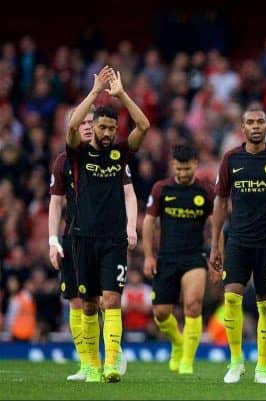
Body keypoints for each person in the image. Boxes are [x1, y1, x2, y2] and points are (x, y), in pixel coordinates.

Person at [66, 65, 150, 382]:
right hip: (83, 236)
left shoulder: (120, 154)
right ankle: (90, 365)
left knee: (112, 300)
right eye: (102, 128)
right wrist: (94, 93)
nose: (106, 133)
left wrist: (120, 95)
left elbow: (144, 124)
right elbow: (72, 126)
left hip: (113, 238)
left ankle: (111, 363)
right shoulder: (78, 154)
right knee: (88, 304)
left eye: (111, 129)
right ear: (95, 127)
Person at [208, 107, 266, 384]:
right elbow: (220, 203)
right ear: (242, 127)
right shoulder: (231, 159)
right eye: (250, 122)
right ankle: (236, 362)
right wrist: (215, 244)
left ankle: (262, 367)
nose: (256, 126)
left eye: (260, 122)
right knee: (231, 297)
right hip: (237, 239)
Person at [49, 105, 135, 381]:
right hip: (74, 236)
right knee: (79, 302)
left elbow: (129, 194)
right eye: (83, 122)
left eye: (91, 122)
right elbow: (55, 203)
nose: (87, 126)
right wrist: (52, 240)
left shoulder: (113, 158)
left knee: (106, 299)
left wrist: (130, 227)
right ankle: (87, 365)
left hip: (107, 234)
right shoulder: (65, 160)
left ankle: (110, 355)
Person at [142, 143, 215, 375]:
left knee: (193, 306)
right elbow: (149, 223)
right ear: (173, 165)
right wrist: (148, 256)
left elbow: (216, 225)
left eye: (187, 169)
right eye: (179, 169)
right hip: (166, 258)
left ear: (195, 164)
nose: (183, 174)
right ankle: (177, 341)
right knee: (161, 312)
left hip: (195, 256)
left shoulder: (205, 191)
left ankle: (187, 361)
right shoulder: (161, 189)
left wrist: (215, 255)